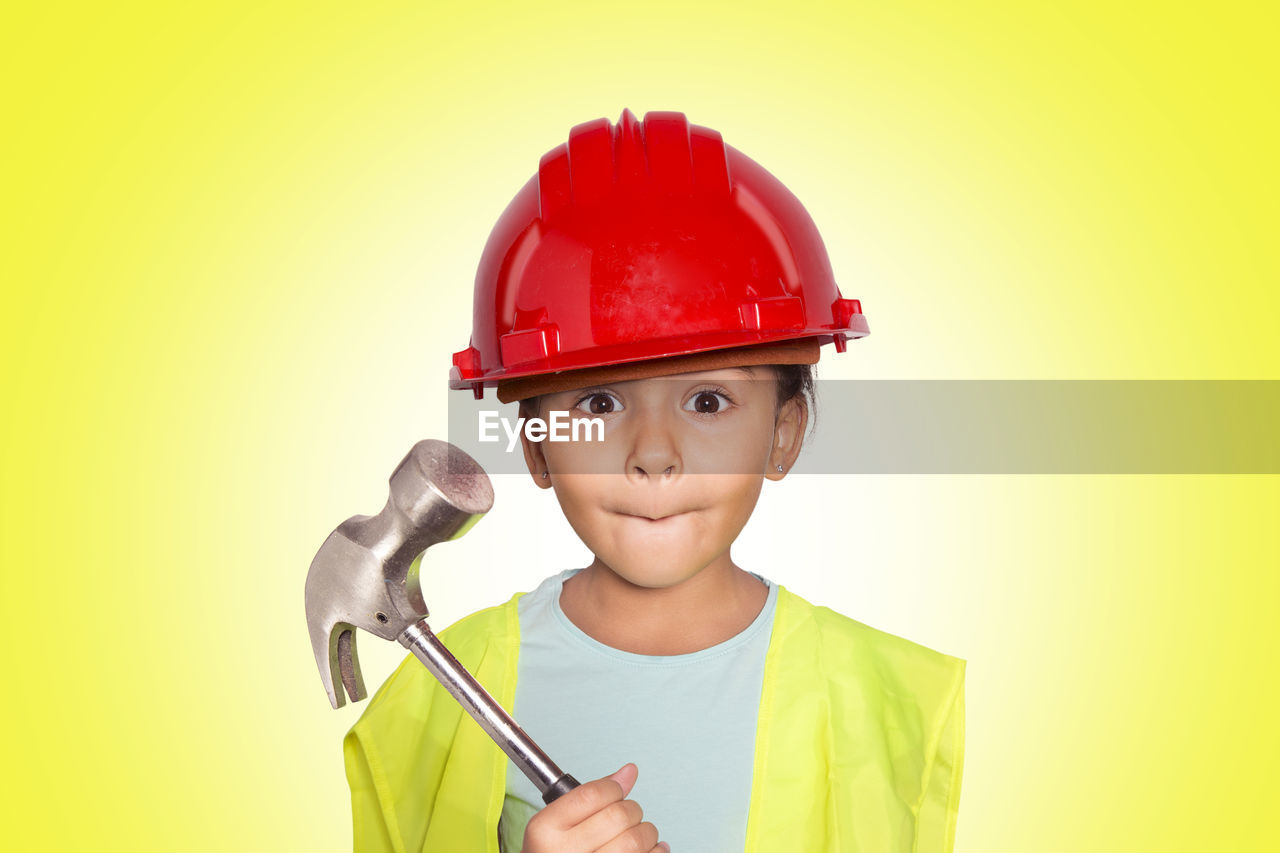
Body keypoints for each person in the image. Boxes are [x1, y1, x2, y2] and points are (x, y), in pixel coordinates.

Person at [343, 110, 966, 853]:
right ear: (537, 444)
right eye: (599, 403)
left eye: (707, 400)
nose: (654, 454)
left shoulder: (890, 704)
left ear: (784, 432)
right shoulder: (433, 708)